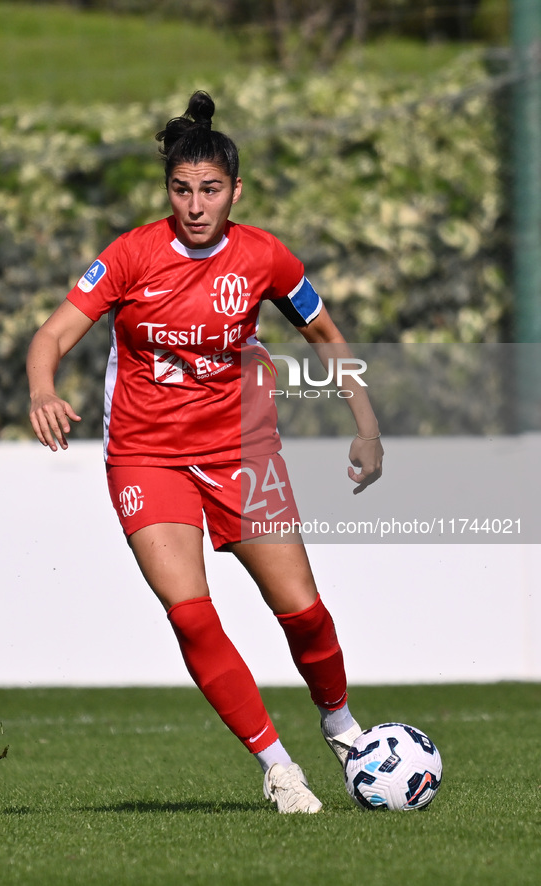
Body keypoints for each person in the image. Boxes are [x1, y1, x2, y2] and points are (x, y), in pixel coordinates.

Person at [27, 91, 383, 814]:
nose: (195, 205)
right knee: (190, 614)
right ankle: (279, 768)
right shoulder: (130, 254)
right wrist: (42, 388)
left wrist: (365, 422)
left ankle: (342, 726)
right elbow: (51, 336)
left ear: (234, 193)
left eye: (210, 190)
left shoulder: (262, 257)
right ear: (169, 192)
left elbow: (324, 334)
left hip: (241, 451)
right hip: (145, 457)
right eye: (182, 190)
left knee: (303, 613)